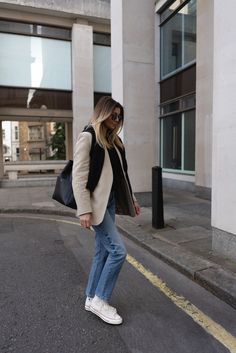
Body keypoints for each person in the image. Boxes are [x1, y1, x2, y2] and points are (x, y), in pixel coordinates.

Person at [72, 96, 140, 325]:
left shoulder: (115, 142)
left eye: (120, 116)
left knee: (102, 252)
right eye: (113, 115)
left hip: (110, 202)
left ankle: (91, 297)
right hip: (95, 205)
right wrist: (83, 210)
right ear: (103, 112)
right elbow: (79, 176)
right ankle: (101, 299)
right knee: (118, 251)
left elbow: (123, 176)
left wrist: (132, 198)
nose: (117, 119)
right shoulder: (89, 137)